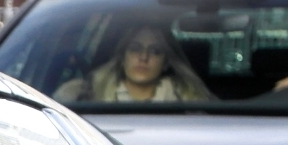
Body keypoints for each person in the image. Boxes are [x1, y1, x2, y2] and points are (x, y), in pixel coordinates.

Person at [55, 21, 214, 103]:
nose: (143, 57)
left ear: (166, 62)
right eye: (135, 48)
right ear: (122, 57)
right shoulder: (84, 95)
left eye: (155, 51)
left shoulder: (190, 102)